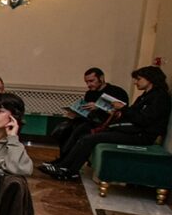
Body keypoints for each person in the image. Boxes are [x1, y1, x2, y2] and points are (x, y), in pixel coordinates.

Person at [42, 66, 171, 180]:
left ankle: (67, 169)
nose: (136, 82)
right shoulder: (146, 96)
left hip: (140, 135)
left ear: (150, 79)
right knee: (76, 131)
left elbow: (144, 119)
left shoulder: (159, 97)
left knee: (88, 138)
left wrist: (122, 109)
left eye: (139, 79)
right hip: (131, 130)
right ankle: (63, 165)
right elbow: (134, 114)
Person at [49, 67, 129, 157]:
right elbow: (87, 113)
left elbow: (122, 113)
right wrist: (75, 113)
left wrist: (98, 108)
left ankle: (65, 161)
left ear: (101, 78)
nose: (89, 84)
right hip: (90, 120)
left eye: (91, 81)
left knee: (80, 129)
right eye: (87, 82)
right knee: (63, 128)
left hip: (107, 123)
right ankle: (63, 157)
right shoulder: (90, 93)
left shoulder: (117, 92)